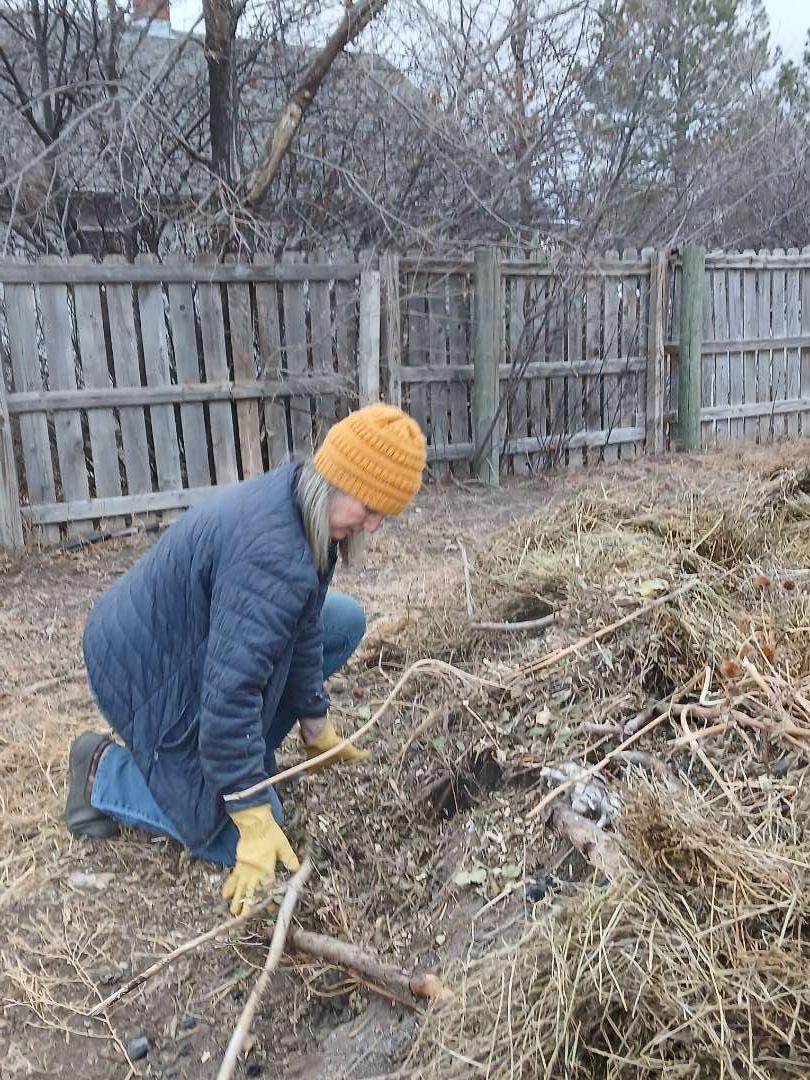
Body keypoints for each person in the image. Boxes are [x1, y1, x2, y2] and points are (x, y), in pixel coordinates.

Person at [65, 403, 426, 914]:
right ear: (336, 477)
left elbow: (302, 625)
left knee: (341, 622)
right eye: (367, 507)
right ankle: (101, 772)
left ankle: (238, 766)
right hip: (144, 672)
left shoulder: (306, 508)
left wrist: (315, 723)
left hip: (185, 640)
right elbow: (229, 693)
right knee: (254, 842)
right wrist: (251, 815)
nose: (373, 526)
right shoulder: (272, 552)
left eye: (384, 514)